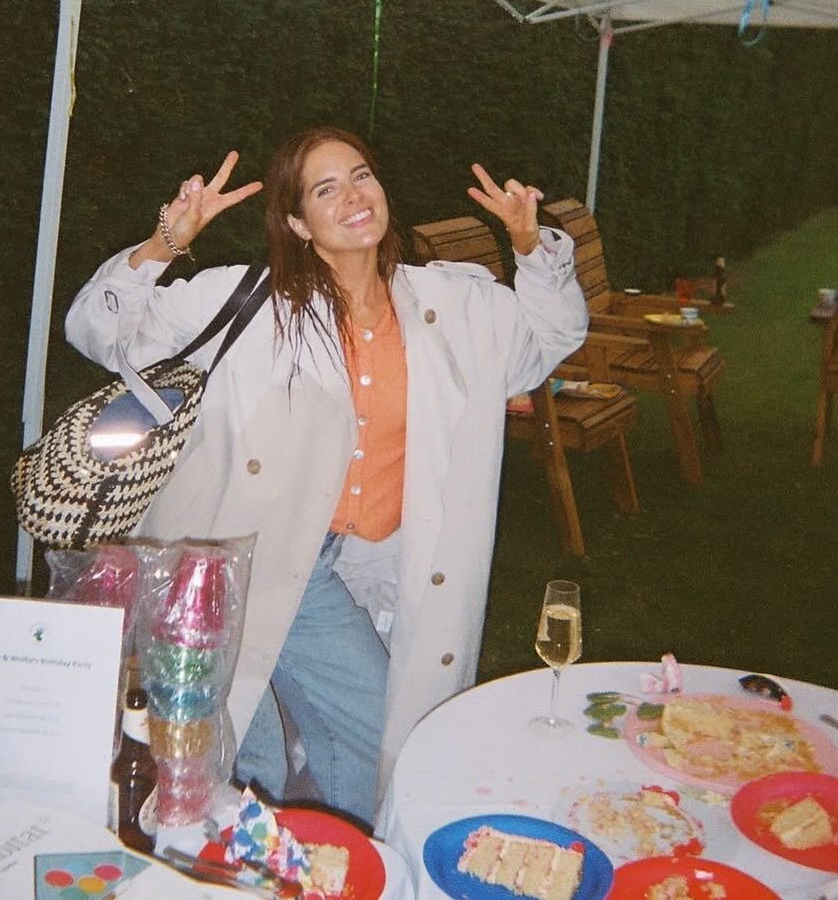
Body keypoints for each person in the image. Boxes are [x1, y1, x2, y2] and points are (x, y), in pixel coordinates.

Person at [65, 126, 587, 830]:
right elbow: (98, 333)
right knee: (288, 750)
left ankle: (319, 858)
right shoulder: (250, 302)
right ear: (297, 224)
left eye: (362, 175)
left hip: (377, 559)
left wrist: (529, 245)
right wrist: (166, 239)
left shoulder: (450, 306)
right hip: (252, 561)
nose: (353, 196)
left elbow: (545, 342)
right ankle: (282, 860)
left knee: (302, 753)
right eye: (325, 189)